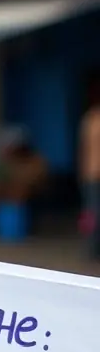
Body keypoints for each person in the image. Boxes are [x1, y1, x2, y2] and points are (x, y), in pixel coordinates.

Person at [81, 98, 100, 258]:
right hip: (93, 175)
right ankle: (92, 249)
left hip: (90, 173)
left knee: (92, 212)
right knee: (93, 213)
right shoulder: (92, 118)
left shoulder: (90, 118)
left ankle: (92, 249)